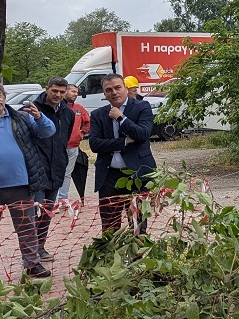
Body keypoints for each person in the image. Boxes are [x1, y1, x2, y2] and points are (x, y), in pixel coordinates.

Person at [0, 84, 55, 287]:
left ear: (4, 96)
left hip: (21, 185)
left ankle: (32, 265)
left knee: (27, 228)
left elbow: (48, 132)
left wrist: (39, 117)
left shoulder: (20, 118)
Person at [89, 74, 157, 232]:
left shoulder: (142, 107)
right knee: (109, 226)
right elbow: (94, 144)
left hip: (137, 174)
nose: (114, 92)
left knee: (138, 224)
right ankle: (110, 256)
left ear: (126, 88)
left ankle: (138, 257)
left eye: (117, 87)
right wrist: (124, 142)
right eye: (109, 90)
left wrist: (121, 118)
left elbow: (142, 135)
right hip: (109, 177)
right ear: (104, 94)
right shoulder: (98, 114)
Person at [31, 78, 75, 261]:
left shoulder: (68, 113)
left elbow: (63, 140)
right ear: (47, 89)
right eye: (54, 91)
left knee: (48, 211)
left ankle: (41, 247)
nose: (58, 95)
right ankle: (30, 250)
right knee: (35, 212)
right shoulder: (33, 109)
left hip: (57, 167)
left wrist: (62, 161)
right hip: (37, 168)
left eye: (61, 92)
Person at [58, 83, 91, 200]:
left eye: (77, 92)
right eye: (73, 91)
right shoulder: (58, 107)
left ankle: (62, 199)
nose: (76, 94)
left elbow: (88, 122)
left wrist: (82, 133)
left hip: (73, 147)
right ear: (65, 91)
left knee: (67, 174)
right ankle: (54, 199)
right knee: (57, 173)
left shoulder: (79, 108)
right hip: (59, 147)